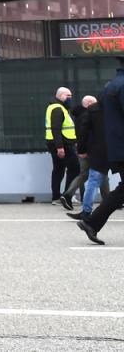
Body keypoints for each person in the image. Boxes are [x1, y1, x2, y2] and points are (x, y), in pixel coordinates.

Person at [78, 59, 124, 245]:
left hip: (116, 145)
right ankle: (91, 222)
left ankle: (91, 222)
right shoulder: (121, 86)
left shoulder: (111, 86)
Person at [67, 96, 110, 222]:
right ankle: (108, 204)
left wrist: (81, 150)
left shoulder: (92, 112)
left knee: (92, 180)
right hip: (112, 149)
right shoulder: (114, 111)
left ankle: (86, 211)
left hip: (96, 151)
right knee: (100, 178)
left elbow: (82, 132)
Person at [59, 95, 103, 210]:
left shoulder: (78, 115)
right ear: (89, 104)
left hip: (82, 148)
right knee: (100, 173)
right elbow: (86, 134)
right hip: (91, 149)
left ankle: (70, 195)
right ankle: (108, 199)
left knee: (84, 174)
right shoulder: (88, 115)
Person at [47, 87, 80, 205]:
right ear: (60, 96)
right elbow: (56, 129)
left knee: (58, 169)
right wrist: (60, 147)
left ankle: (56, 197)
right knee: (75, 169)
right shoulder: (57, 109)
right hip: (63, 144)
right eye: (67, 95)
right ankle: (67, 195)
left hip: (55, 143)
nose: (70, 98)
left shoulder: (55, 107)